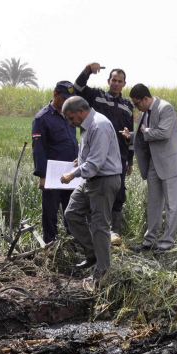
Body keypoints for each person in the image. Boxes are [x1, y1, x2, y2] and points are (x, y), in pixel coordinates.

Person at [60, 97, 122, 281]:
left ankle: (102, 273)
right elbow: (91, 155)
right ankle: (92, 253)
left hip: (104, 180)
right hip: (90, 179)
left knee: (99, 226)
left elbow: (96, 163)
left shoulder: (99, 125)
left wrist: (72, 174)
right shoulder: (86, 127)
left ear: (81, 111)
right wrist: (80, 161)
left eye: (71, 118)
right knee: (71, 213)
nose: (71, 123)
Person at [121, 84, 177, 253]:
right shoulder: (145, 112)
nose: (136, 108)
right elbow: (146, 134)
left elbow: (163, 133)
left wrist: (145, 131)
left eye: (137, 104)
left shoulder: (166, 108)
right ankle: (149, 241)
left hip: (170, 164)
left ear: (145, 98)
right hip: (153, 164)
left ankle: (166, 244)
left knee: (172, 206)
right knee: (153, 204)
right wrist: (132, 136)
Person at [74, 63, 134, 246]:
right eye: (113, 80)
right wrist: (87, 71)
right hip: (96, 155)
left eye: (120, 81)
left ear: (124, 84)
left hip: (119, 157)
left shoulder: (128, 106)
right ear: (108, 81)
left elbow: (130, 133)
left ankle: (113, 232)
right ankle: (96, 230)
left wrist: (130, 160)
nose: (116, 84)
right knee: (95, 191)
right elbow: (77, 88)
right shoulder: (97, 97)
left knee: (118, 193)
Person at [32, 81, 78, 243]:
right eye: (64, 98)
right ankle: (51, 245)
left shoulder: (68, 116)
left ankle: (72, 242)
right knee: (50, 212)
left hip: (71, 172)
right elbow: (38, 149)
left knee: (71, 210)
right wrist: (42, 176)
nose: (67, 102)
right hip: (53, 174)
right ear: (55, 94)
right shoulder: (42, 118)